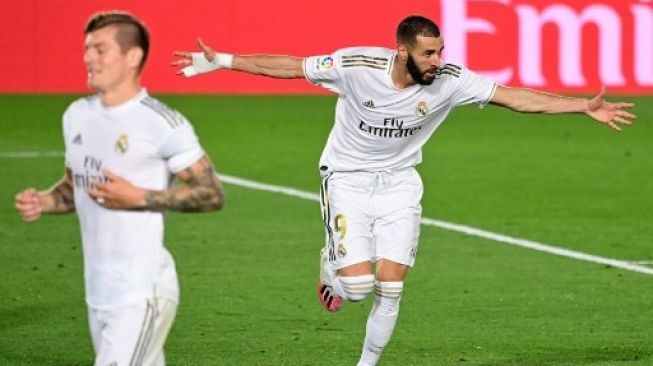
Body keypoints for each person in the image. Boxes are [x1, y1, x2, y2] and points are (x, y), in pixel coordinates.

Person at [171, 15, 635, 366]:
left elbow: (515, 98)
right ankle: (330, 264)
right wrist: (224, 61)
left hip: (399, 185)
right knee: (356, 289)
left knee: (391, 288)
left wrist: (581, 108)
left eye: (440, 51)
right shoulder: (355, 66)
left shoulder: (450, 80)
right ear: (402, 52)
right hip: (347, 178)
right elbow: (292, 67)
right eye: (429, 53)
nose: (438, 61)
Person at [15, 11, 224, 366]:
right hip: (99, 289)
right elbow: (74, 187)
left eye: (100, 49)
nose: (88, 58)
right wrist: (46, 201)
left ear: (133, 57)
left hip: (142, 291)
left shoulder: (161, 123)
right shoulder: (76, 116)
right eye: (86, 49)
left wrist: (140, 196)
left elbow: (212, 193)